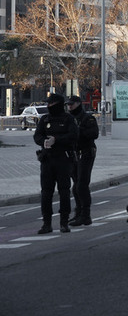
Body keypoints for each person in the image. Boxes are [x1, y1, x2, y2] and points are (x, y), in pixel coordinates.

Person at [33, 93, 79, 234]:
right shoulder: (45, 119)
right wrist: (43, 142)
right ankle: (46, 223)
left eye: (51, 103)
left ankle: (64, 222)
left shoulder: (68, 119)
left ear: (58, 104)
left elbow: (73, 136)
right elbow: (37, 136)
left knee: (64, 191)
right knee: (46, 193)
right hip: (47, 159)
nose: (48, 106)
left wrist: (56, 140)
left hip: (63, 159)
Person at [67, 95, 99, 226]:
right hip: (73, 154)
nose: (70, 107)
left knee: (81, 185)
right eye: (68, 105)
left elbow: (94, 134)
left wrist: (78, 131)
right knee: (76, 186)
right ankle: (78, 213)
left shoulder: (87, 118)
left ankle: (86, 215)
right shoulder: (68, 118)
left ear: (78, 104)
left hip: (85, 153)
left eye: (72, 104)